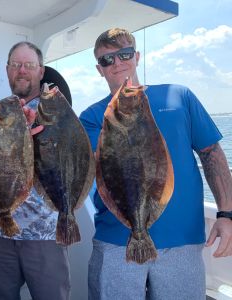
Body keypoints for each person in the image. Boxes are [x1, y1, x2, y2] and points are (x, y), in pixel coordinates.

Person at [79, 27, 232, 300]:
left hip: (181, 239)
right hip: (117, 241)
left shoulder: (180, 96)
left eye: (124, 54)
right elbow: (92, 169)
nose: (117, 63)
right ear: (99, 69)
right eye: (107, 59)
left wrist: (226, 214)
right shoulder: (91, 116)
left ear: (137, 56)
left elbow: (212, 154)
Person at [0, 41, 71, 300]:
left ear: (41, 71)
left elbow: (71, 164)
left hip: (45, 235)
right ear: (7, 70)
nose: (22, 70)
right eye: (16, 65)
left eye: (29, 65)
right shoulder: (0, 112)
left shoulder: (57, 110)